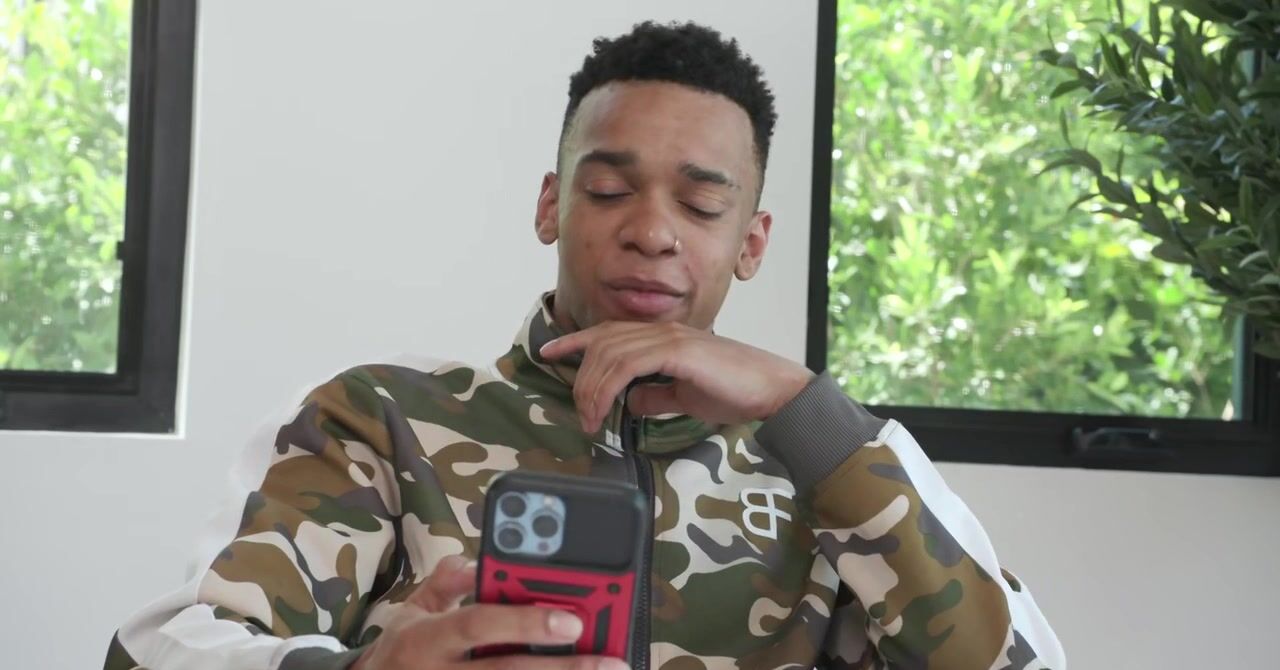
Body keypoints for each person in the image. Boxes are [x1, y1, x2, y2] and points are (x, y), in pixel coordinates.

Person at [105, 20, 1065, 670]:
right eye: (609, 191)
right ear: (550, 206)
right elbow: (159, 652)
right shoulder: (380, 419)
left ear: (752, 244)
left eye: (701, 204)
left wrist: (805, 413)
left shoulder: (830, 465)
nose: (651, 232)